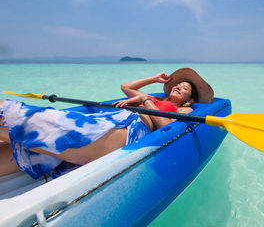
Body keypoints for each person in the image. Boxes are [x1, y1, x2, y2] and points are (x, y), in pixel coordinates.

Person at [0, 68, 214, 179]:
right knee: (22, 148)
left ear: (190, 99)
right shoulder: (153, 97)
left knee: (42, 125)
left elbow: (166, 126)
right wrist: (155, 79)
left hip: (132, 129)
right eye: (177, 84)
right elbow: (126, 86)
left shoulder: (183, 109)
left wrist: (145, 101)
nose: (178, 87)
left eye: (184, 88)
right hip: (110, 120)